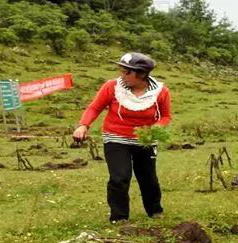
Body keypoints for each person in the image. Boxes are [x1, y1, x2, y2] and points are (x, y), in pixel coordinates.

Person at [73, 52, 172, 222]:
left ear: (141, 74)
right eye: (121, 70)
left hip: (145, 140)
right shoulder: (111, 87)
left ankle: (155, 211)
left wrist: (155, 129)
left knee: (148, 177)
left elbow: (166, 116)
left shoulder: (161, 92)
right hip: (116, 137)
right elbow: (94, 108)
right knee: (119, 177)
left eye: (127, 72)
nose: (122, 75)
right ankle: (119, 218)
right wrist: (83, 125)